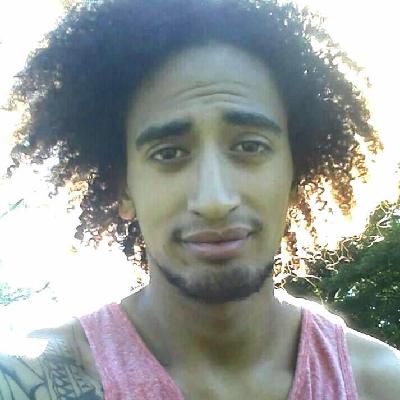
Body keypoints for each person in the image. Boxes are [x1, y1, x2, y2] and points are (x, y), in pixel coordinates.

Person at [1, 0, 399, 398]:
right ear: (122, 188)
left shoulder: (383, 385)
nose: (214, 200)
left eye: (249, 146)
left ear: (296, 174)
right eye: (169, 153)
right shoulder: (26, 381)